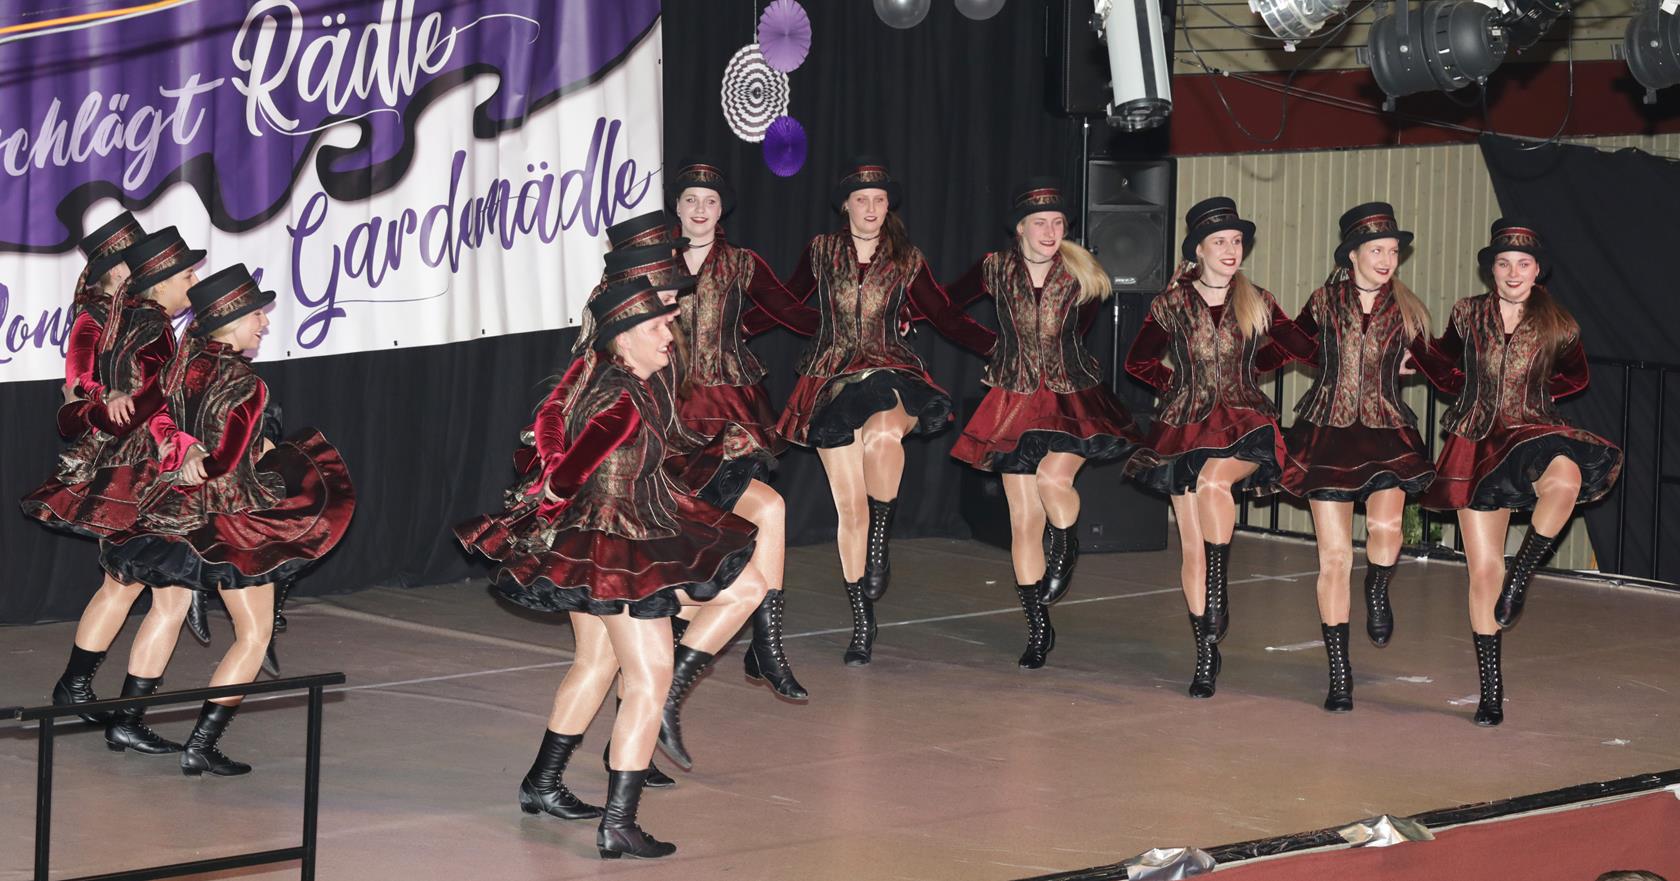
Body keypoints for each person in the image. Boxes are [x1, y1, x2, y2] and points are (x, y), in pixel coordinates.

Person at [456, 276, 768, 859]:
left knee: (600, 661)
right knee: (649, 679)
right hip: (617, 544)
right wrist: (535, 513)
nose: (670, 334)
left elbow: (625, 447)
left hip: (617, 534)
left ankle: (542, 782)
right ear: (624, 338)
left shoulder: (620, 381)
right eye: (658, 327)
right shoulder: (620, 399)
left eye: (669, 323)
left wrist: (721, 446)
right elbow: (565, 477)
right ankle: (619, 823)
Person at [98, 264, 355, 774]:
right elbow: (228, 459)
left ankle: (126, 720)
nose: (264, 324)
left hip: (171, 509)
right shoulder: (246, 384)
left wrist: (177, 448)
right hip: (230, 517)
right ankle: (201, 744)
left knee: (166, 609)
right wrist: (203, 461)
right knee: (254, 633)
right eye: (257, 316)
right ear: (231, 320)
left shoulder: (182, 363)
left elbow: (152, 417)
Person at [775, 156, 996, 666]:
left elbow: (944, 314)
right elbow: (784, 304)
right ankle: (862, 620)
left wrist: (995, 347)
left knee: (883, 436)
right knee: (847, 507)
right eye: (862, 200)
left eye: (879, 200)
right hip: (829, 378)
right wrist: (734, 329)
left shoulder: (906, 258)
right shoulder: (821, 251)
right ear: (846, 206)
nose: (872, 208)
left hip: (888, 366)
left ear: (888, 205)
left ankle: (881, 534)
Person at [1410, 219, 1621, 726]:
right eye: (1503, 263)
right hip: (1476, 441)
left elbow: (1577, 376)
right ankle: (1491, 691)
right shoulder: (1468, 313)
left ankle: (1522, 572)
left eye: (1522, 264)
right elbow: (1443, 365)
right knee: (1484, 570)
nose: (1512, 272)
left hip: (1533, 431)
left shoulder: (1559, 323)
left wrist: (1534, 391)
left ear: (1537, 270)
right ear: (1491, 269)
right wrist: (1416, 351)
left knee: (1566, 480)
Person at [23, 226, 206, 755]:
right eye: (128, 262)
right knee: (168, 596)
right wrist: (121, 403)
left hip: (129, 466)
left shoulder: (130, 318)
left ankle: (76, 688)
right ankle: (122, 714)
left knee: (123, 585)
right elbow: (87, 382)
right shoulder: (124, 320)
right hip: (140, 468)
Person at [1123, 197, 1313, 699]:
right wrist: (1178, 385)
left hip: (1244, 420)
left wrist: (1251, 370)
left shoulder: (1258, 299)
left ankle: (1218, 585)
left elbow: (1301, 346)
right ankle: (1206, 653)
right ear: (1198, 251)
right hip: (1183, 427)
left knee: (1213, 482)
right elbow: (1137, 363)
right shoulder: (1171, 304)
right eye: (1220, 242)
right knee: (1190, 545)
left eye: (1237, 241)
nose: (1231, 250)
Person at [945, 178, 1139, 668]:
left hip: (1072, 398)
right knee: (1023, 521)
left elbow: (1081, 333)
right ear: (1020, 228)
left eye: (1057, 223)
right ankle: (1038, 628)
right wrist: (995, 347)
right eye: (1040, 223)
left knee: (1054, 480)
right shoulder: (994, 268)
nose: (1051, 231)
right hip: (1012, 401)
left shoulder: (1080, 273)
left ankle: (1067, 544)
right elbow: (945, 307)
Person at [669, 159, 820, 698]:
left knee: (765, 508)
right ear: (677, 207)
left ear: (721, 210)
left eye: (710, 201)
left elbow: (791, 312)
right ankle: (686, 631)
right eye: (691, 199)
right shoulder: (655, 261)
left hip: (730, 411)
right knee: (688, 524)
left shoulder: (741, 262)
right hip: (669, 411)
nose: (700, 209)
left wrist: (860, 328)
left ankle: (767, 643)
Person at [1280, 203, 1436, 711]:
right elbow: (1295, 346)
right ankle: (1339, 672)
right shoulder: (1324, 300)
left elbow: (1442, 363)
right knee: (1334, 557)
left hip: (1387, 433)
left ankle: (1378, 585)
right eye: (1377, 250)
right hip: (1327, 432)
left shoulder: (1408, 309)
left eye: (1393, 251)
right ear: (1352, 255)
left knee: (1386, 532)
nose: (1387, 259)